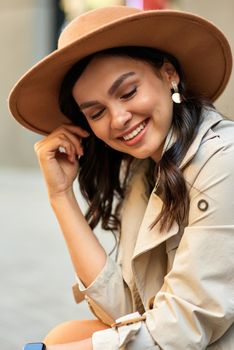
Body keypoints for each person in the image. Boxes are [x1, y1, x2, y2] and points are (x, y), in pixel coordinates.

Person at [8, 5, 234, 350]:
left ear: (169, 74)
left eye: (128, 92)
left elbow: (184, 327)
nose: (118, 119)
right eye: (96, 112)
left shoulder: (224, 160)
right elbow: (127, 309)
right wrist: (60, 195)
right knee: (67, 335)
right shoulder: (143, 169)